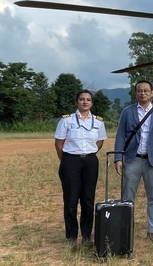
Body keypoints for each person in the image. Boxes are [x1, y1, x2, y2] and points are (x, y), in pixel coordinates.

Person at [113, 80, 153, 243]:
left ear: (152, 93)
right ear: (135, 93)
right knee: (127, 197)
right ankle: (126, 228)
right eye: (139, 91)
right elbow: (120, 135)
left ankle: (152, 230)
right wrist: (118, 158)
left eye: (146, 91)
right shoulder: (127, 112)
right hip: (132, 160)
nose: (143, 93)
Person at [54, 89, 107, 247]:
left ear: (92, 103)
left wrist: (89, 154)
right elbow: (58, 143)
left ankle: (86, 236)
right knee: (70, 200)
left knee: (88, 200)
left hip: (90, 162)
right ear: (77, 102)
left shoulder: (98, 122)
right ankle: (71, 237)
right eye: (82, 99)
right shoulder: (66, 120)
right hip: (70, 161)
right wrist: (67, 160)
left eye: (88, 100)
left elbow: (100, 142)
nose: (85, 102)